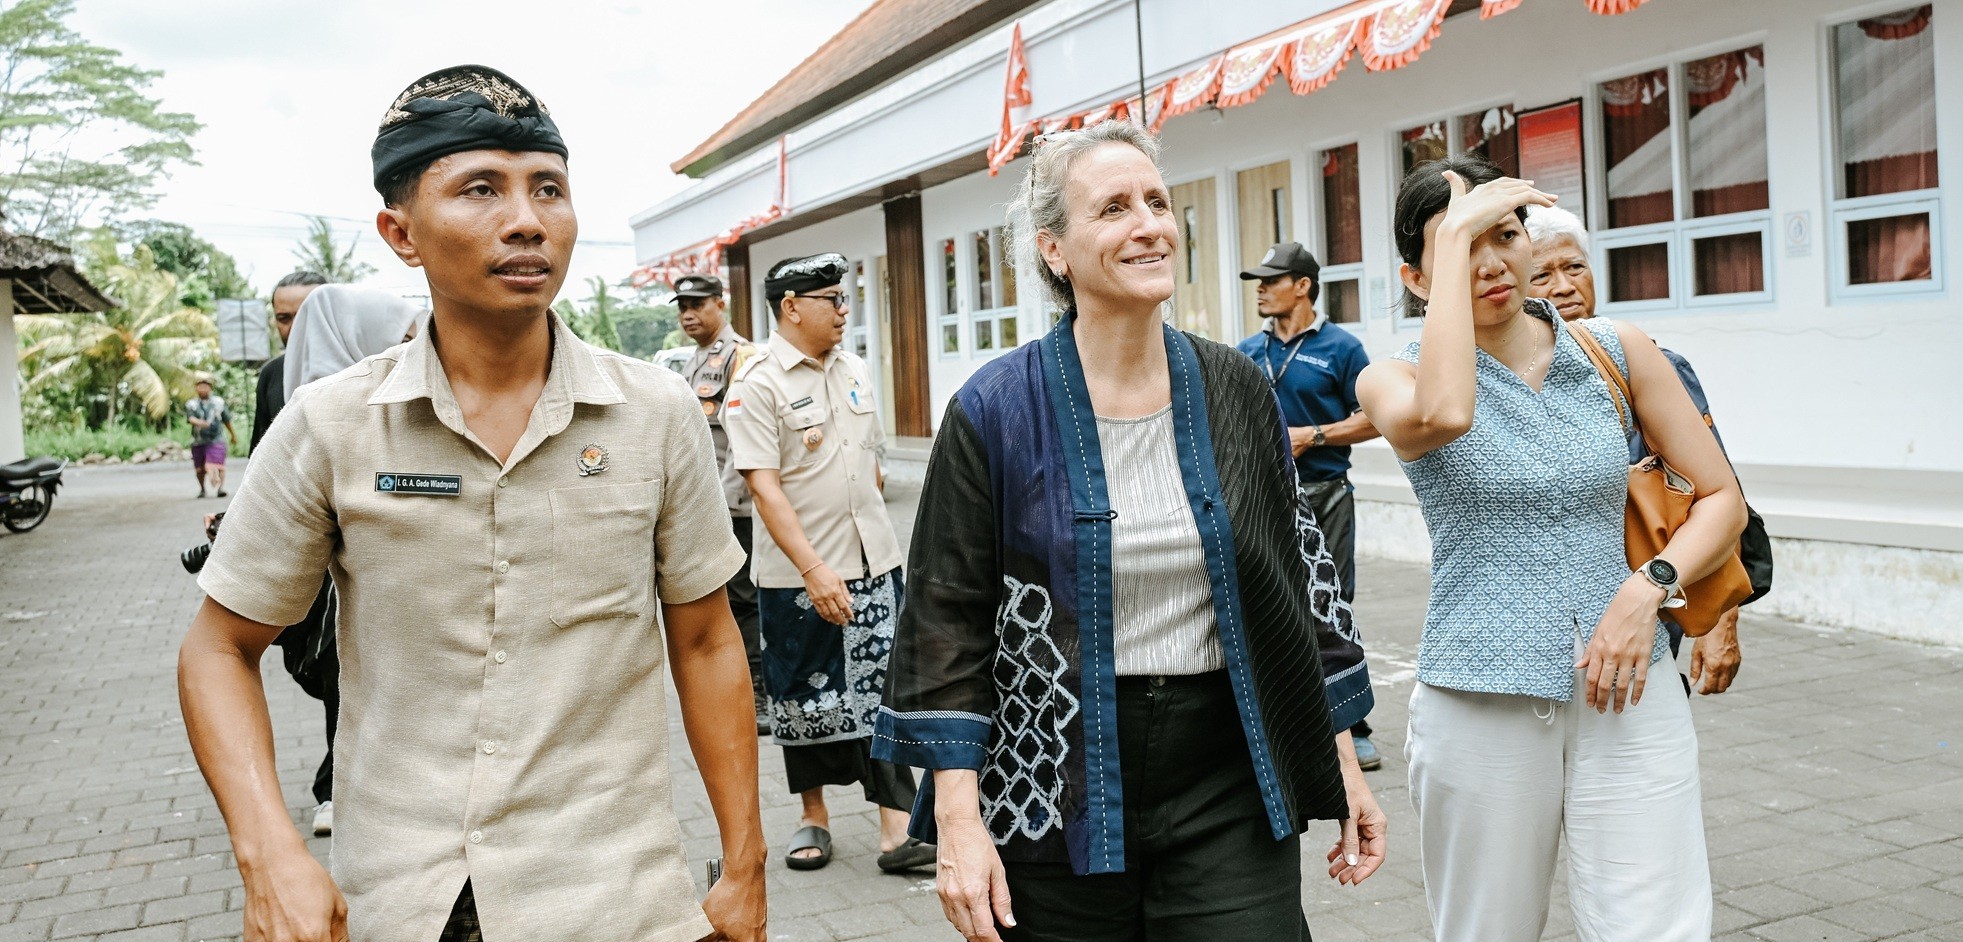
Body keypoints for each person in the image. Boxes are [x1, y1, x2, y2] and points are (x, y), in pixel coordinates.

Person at [177, 65, 767, 942]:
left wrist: (745, 863)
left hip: (617, 896)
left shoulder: (655, 413)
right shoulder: (332, 425)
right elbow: (220, 647)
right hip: (405, 899)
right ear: (400, 232)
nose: (527, 219)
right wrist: (268, 854)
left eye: (548, 189)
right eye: (481, 189)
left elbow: (707, 639)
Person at [876, 121, 1385, 942]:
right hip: (1051, 777)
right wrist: (959, 821)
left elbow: (1301, 586)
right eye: (1113, 208)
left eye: (1156, 202)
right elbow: (945, 621)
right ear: (1053, 250)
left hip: (1224, 767)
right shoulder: (995, 411)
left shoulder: (1235, 389)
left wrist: (1340, 761)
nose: (1148, 225)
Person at [1355, 154, 1746, 942]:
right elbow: (1444, 415)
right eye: (1460, 245)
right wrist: (1460, 241)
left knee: (1658, 925)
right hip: (1479, 694)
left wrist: (1646, 589)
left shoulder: (1613, 350)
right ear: (1416, 278)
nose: (1491, 262)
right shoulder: (1390, 380)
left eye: (1504, 235)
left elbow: (1720, 498)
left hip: (1628, 686)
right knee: (1487, 928)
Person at [725, 253, 933, 874]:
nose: (844, 310)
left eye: (845, 298)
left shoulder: (856, 368)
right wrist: (814, 569)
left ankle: (896, 828)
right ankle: (812, 815)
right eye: (832, 300)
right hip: (797, 575)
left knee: (882, 692)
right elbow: (763, 487)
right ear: (791, 307)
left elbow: (870, 461)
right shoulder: (757, 383)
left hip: (874, 564)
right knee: (803, 696)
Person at [1524, 205, 1749, 694]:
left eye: (1575, 267)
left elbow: (1716, 491)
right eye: (1541, 275)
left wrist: (1721, 618)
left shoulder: (1650, 365)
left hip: (1654, 596)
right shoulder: (1507, 382)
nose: (1564, 287)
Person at [1234, 241, 1384, 771]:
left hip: (1326, 494)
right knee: (1272, 604)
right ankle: (1286, 726)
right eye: (1258, 281)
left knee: (1331, 606)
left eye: (1271, 280)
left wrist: (1314, 436)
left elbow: (1375, 418)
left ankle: (1354, 727)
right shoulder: (1246, 351)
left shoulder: (1343, 348)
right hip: (1266, 497)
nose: (1260, 290)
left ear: (1302, 286)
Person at [676, 272, 769, 733]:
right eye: (682, 307)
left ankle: (760, 693)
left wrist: (729, 502)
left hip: (734, 504)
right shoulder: (694, 361)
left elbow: (742, 439)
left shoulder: (740, 356)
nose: (688, 314)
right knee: (721, 598)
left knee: (744, 599)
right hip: (706, 501)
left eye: (697, 304)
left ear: (720, 304)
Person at [252, 271, 330, 452]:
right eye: (284, 318)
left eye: (306, 314)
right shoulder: (271, 374)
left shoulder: (362, 368)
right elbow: (260, 456)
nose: (296, 326)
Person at [185, 376, 237, 499]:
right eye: (200, 386)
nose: (202, 389)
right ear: (196, 388)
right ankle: (202, 489)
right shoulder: (192, 404)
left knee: (218, 464)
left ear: (210, 388)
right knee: (199, 469)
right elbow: (190, 418)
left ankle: (220, 488)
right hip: (198, 440)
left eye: (205, 386)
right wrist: (201, 423)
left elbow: (227, 420)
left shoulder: (219, 403)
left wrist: (233, 435)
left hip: (217, 438)